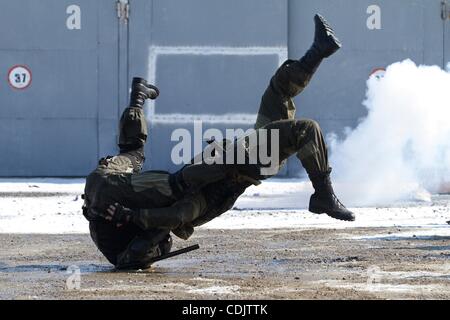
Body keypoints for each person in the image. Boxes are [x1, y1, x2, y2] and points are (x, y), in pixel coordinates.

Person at [82, 14, 355, 270]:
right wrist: (136, 102)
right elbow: (133, 154)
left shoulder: (163, 216)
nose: (164, 246)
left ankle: (323, 196)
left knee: (304, 130)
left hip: (238, 163)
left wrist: (133, 219)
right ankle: (320, 49)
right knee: (279, 93)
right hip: (238, 164)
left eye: (159, 248)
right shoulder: (108, 198)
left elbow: (174, 218)